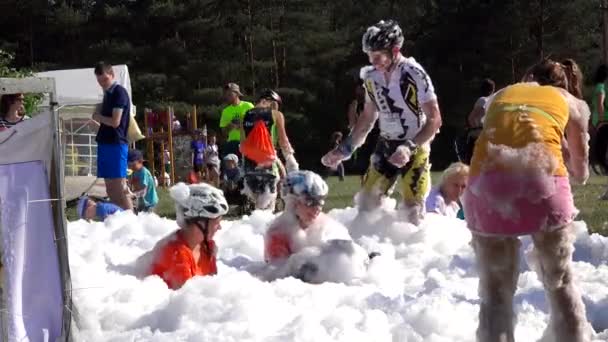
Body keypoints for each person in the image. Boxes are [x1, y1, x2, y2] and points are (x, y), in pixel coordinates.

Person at [462, 59, 591, 342]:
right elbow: (581, 172)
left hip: (486, 183)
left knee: (495, 292)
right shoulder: (571, 102)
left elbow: (478, 120)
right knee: (560, 283)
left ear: (528, 76)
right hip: (544, 183)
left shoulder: (501, 94)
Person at [322, 20, 442, 225]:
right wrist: (345, 149)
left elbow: (435, 119)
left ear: (394, 50)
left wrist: (409, 147)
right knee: (367, 204)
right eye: (369, 56)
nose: (373, 61)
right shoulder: (371, 77)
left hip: (415, 145)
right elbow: (368, 117)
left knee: (412, 212)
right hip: (385, 144)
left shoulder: (414, 73)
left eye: (377, 56)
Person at [149, 182, 229, 290]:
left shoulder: (207, 247)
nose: (219, 227)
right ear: (200, 222)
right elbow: (188, 299)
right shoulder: (175, 254)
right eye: (216, 222)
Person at [264, 170, 350, 264]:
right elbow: (278, 272)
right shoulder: (277, 234)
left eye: (320, 202)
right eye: (310, 202)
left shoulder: (327, 224)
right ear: (292, 203)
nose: (317, 208)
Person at [240, 89, 299, 210]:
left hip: (249, 165)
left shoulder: (244, 115)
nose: (278, 108)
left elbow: (242, 144)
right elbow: (284, 142)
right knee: (267, 208)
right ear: (272, 102)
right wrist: (290, 159)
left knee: (257, 207)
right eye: (277, 104)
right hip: (267, 164)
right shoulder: (276, 115)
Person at [92, 62, 133, 210]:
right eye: (99, 81)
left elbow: (115, 122)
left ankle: (131, 221)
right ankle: (119, 219)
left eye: (104, 80)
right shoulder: (107, 95)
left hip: (116, 144)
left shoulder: (119, 92)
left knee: (120, 188)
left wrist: (98, 116)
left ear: (112, 75)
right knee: (110, 189)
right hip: (105, 143)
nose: (102, 84)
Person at [219, 83, 254, 158]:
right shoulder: (226, 111)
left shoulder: (248, 106)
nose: (227, 96)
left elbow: (256, 124)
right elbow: (223, 133)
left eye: (229, 93)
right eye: (226, 94)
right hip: (232, 144)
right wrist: (230, 126)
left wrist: (242, 125)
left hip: (247, 143)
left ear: (237, 93)